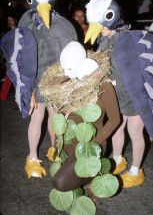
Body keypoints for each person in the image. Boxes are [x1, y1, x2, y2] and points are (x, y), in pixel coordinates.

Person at [84, 0, 153, 188]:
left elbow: (139, 68)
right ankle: (118, 158)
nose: (102, 31)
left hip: (134, 97)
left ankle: (136, 171)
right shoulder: (105, 40)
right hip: (117, 96)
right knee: (117, 128)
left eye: (103, 26)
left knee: (135, 132)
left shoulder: (127, 38)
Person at [1, 0, 77, 178]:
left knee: (55, 117)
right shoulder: (26, 21)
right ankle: (32, 158)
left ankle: (55, 150)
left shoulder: (63, 24)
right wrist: (27, 89)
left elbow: (70, 54)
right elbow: (21, 57)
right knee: (37, 116)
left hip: (55, 80)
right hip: (35, 79)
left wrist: (67, 82)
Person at [39, 41, 120, 191]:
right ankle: (85, 178)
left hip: (92, 144)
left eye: (69, 68)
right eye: (64, 68)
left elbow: (115, 120)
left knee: (60, 183)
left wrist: (91, 145)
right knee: (68, 179)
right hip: (70, 143)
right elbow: (61, 116)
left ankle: (95, 172)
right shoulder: (66, 84)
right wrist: (58, 140)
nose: (67, 73)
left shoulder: (103, 85)